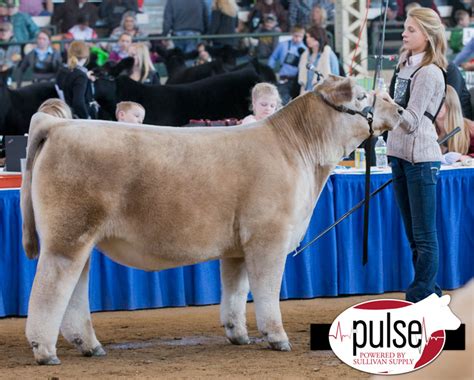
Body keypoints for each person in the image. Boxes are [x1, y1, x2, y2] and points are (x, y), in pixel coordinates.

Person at [387, 7, 447, 303]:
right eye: (405, 28)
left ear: (427, 35)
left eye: (411, 30)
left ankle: (420, 295)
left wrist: (384, 106)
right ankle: (429, 295)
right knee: (414, 236)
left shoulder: (429, 72)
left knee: (424, 236)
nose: (404, 33)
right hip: (398, 156)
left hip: (420, 159)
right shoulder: (403, 66)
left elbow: (411, 121)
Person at [56, 40, 97, 119]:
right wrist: (86, 118)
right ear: (85, 56)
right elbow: (78, 102)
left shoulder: (62, 71)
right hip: (77, 118)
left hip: (64, 113)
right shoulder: (80, 76)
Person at [268, 25, 307, 104]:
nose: (298, 39)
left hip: (298, 81)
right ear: (291, 34)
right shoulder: (283, 45)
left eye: (300, 36)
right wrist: (271, 72)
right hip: (284, 79)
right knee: (283, 102)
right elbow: (273, 58)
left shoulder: (305, 49)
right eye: (296, 36)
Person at [435, 85, 473, 161]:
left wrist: (466, 157)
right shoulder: (424, 129)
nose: (432, 106)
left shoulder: (470, 129)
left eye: (438, 102)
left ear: (450, 104)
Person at [298, 25, 339, 95]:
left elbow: (336, 77)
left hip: (323, 95)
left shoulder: (329, 55)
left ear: (318, 37)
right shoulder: (305, 55)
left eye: (311, 37)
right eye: (307, 37)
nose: (307, 39)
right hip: (305, 95)